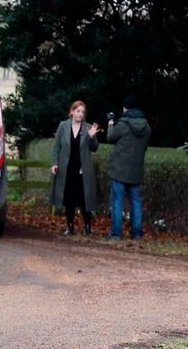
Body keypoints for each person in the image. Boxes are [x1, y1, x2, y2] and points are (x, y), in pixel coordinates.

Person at [50, 101, 101, 235]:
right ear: (72, 111)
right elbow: (56, 147)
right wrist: (54, 163)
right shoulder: (63, 126)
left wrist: (92, 137)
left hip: (82, 169)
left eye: (82, 112)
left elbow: (94, 148)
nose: (80, 114)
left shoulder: (88, 127)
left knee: (85, 198)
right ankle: (70, 226)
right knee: (69, 198)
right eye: (78, 111)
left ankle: (87, 226)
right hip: (66, 168)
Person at [106, 94, 151, 240]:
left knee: (117, 200)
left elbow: (110, 138)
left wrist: (110, 123)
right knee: (136, 201)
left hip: (119, 169)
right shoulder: (147, 127)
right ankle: (137, 233)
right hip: (135, 169)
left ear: (126, 107)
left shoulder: (122, 124)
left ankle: (116, 233)